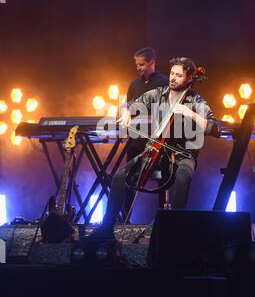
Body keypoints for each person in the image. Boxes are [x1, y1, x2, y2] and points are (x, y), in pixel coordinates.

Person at [86, 57, 219, 243]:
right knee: (119, 176)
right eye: (172, 73)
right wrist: (126, 112)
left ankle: (176, 228)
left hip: (183, 154)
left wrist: (190, 113)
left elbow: (215, 128)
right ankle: (107, 228)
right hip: (156, 149)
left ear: (190, 79)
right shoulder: (158, 93)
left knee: (183, 175)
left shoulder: (196, 100)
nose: (172, 78)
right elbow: (132, 104)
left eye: (178, 75)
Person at [126, 47, 169, 161]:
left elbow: (166, 113)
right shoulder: (134, 84)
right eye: (137, 64)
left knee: (161, 176)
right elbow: (128, 106)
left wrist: (142, 119)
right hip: (135, 141)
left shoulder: (165, 83)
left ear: (152, 63)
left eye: (141, 64)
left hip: (157, 142)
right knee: (131, 175)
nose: (138, 68)